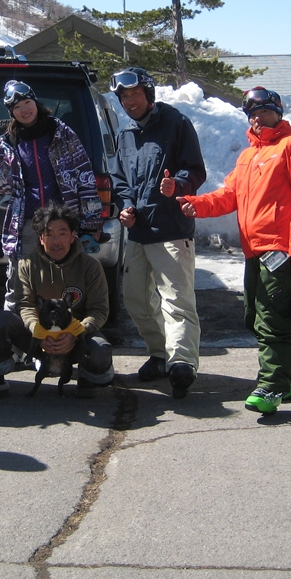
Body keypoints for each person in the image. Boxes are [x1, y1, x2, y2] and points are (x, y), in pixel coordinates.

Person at [178, 87, 291, 414]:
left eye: (264, 112)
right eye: (252, 114)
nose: (257, 119)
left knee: (271, 319)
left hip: (279, 251)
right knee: (257, 317)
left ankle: (272, 386)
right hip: (253, 251)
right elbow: (229, 195)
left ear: (278, 113)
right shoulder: (248, 156)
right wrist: (196, 204)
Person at [109, 67, 206, 398]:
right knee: (136, 299)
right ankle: (161, 354)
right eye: (124, 97)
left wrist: (176, 184)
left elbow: (195, 170)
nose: (130, 102)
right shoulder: (125, 134)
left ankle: (182, 363)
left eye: (135, 94)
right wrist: (125, 206)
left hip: (171, 228)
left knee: (177, 300)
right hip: (139, 231)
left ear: (148, 94)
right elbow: (119, 179)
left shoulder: (176, 123)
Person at [0, 205, 114, 403]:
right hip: (36, 336)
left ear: (73, 236)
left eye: (62, 233)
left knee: (99, 350)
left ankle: (86, 379)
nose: (56, 241)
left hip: (75, 335)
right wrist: (39, 333)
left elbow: (99, 309)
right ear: (40, 238)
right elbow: (25, 304)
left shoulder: (91, 267)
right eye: (49, 234)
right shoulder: (26, 264)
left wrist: (75, 333)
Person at [0, 79, 102, 311]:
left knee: (65, 282)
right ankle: (16, 329)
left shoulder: (61, 133)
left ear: (35, 102)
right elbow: (3, 189)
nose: (24, 110)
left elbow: (84, 176)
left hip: (62, 222)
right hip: (28, 223)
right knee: (21, 283)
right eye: (17, 107)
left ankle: (65, 331)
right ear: (11, 113)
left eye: (27, 103)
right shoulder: (10, 142)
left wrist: (92, 221)